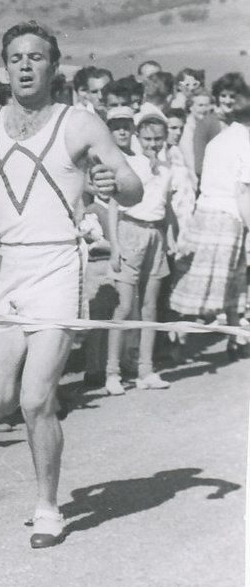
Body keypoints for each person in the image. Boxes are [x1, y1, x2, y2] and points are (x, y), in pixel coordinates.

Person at [0, 21, 141, 549]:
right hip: (0, 272)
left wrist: (109, 183)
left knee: (37, 398)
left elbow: (130, 184)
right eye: (16, 58)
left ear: (53, 66)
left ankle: (47, 505)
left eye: (36, 57)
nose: (25, 66)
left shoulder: (78, 123)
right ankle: (44, 437)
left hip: (57, 267)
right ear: (4, 66)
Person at [104, 113, 181, 394]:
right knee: (123, 307)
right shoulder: (129, 165)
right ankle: (112, 372)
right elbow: (113, 207)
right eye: (147, 139)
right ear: (138, 137)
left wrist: (172, 236)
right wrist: (115, 245)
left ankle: (145, 371)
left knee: (150, 307)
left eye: (158, 138)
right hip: (129, 232)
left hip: (155, 236)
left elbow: (166, 206)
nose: (153, 144)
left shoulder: (166, 169)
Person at [171, 105, 250, 357]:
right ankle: (181, 340)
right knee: (221, 281)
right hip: (228, 215)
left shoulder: (219, 140)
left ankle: (233, 338)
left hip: (204, 210)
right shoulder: (245, 143)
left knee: (203, 277)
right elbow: (242, 193)